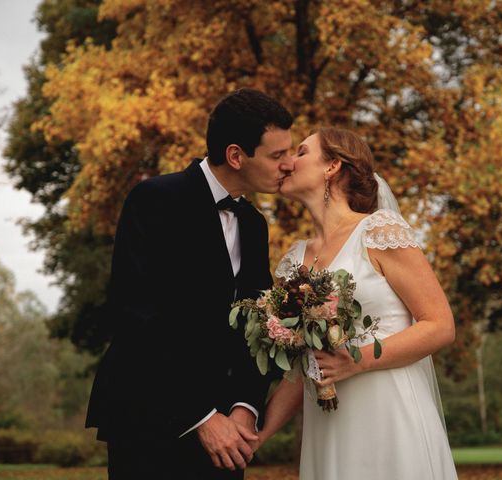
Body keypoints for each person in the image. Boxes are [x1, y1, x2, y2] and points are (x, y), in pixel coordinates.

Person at [85, 88, 294, 479]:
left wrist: (246, 407)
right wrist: (201, 416)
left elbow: (257, 324)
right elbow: (135, 316)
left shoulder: (253, 224)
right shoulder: (153, 200)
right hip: (150, 417)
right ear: (236, 155)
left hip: (229, 434)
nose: (289, 165)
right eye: (277, 155)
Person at [258, 127, 458, 479]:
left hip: (389, 415)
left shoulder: (378, 232)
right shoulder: (293, 261)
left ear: (332, 166)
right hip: (329, 427)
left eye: (301, 152)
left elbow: (440, 325)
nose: (288, 163)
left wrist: (356, 361)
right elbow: (299, 368)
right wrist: (258, 435)